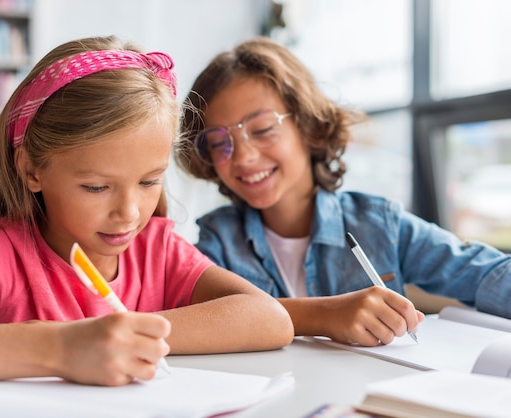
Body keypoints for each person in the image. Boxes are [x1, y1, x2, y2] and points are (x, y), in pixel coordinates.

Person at [0, 36, 294, 386]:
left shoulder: (157, 248)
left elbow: (268, 318)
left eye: (150, 181)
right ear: (31, 169)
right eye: (96, 187)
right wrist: (61, 347)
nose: (129, 212)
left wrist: (127, 335)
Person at [175, 36, 511, 347]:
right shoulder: (216, 242)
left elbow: (487, 274)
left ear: (310, 128)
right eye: (220, 143)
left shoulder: (379, 225)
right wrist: (324, 315)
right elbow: (198, 320)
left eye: (262, 129)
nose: (244, 156)